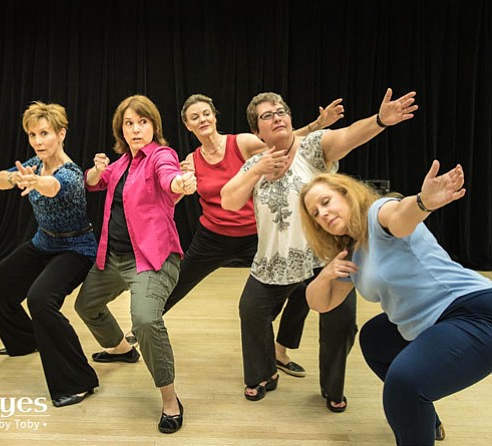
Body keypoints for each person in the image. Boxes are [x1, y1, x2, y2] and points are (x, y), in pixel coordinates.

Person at [220, 88, 418, 411]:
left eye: (281, 111)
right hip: (273, 263)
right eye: (267, 116)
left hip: (325, 260)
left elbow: (348, 137)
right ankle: (263, 374)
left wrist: (380, 120)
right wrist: (258, 169)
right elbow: (229, 200)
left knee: (340, 324)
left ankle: (333, 388)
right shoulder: (254, 163)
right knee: (251, 311)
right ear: (257, 131)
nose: (277, 117)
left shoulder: (312, 147)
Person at [299, 163, 492, 445]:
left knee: (404, 384)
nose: (323, 214)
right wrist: (327, 274)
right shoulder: (352, 253)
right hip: (433, 325)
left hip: (472, 312)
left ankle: (414, 409)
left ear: (346, 194)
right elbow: (321, 303)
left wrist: (423, 202)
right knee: (375, 338)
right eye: (316, 214)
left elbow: (401, 218)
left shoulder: (378, 213)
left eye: (326, 202)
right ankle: (423, 417)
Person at [155, 93, 344, 378]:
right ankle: (144, 326)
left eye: (206, 113)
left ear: (214, 116)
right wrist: (179, 186)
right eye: (195, 118)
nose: (202, 120)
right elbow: (173, 198)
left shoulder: (241, 142)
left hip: (255, 235)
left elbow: (285, 141)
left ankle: (281, 350)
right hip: (213, 236)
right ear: (188, 126)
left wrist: (318, 124)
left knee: (304, 287)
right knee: (178, 281)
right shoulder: (191, 161)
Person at [74, 94, 196, 433]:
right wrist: (97, 171)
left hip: (152, 258)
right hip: (113, 258)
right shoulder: (122, 163)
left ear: (154, 126)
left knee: (144, 318)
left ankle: (170, 400)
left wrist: (181, 183)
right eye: (129, 123)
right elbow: (92, 181)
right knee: (87, 305)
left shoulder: (161, 155)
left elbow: (170, 177)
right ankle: (121, 349)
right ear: (121, 130)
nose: (136, 128)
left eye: (142, 122)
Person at [0, 101, 99, 408]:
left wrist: (35, 182)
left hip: (76, 249)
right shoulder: (32, 164)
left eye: (44, 133)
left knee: (40, 300)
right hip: (44, 243)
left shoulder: (71, 174)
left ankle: (79, 380)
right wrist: (14, 178)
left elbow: (53, 186)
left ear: (61, 134)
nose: (38, 140)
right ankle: (23, 341)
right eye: (33, 135)